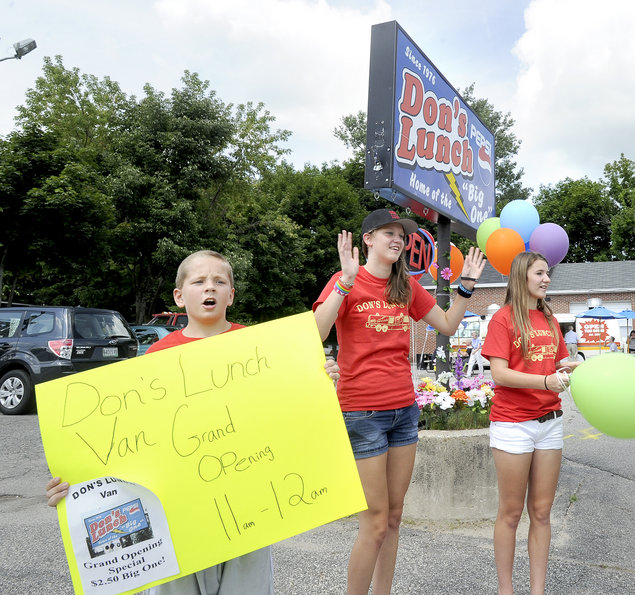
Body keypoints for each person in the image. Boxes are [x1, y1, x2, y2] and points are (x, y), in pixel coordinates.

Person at [46, 250, 341, 595]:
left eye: (219, 281)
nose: (209, 288)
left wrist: (321, 386)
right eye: (198, 281)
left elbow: (289, 413)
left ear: (231, 294)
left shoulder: (264, 349)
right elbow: (126, 443)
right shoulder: (155, 359)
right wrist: (75, 489)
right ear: (179, 295)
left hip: (251, 511)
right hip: (177, 523)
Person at [313, 208, 485, 595]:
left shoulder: (405, 287)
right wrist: (344, 282)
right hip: (362, 413)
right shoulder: (346, 281)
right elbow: (317, 332)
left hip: (404, 412)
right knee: (373, 520)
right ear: (368, 240)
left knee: (393, 516)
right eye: (388, 232)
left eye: (402, 235)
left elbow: (447, 325)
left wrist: (467, 286)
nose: (398, 240)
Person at [481, 251, 581, 595]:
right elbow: (499, 373)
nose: (547, 279)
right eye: (540, 273)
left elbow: (557, 363)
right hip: (513, 424)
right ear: (522, 276)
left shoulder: (550, 320)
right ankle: (505, 590)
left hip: (550, 423)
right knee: (510, 513)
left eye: (548, 274)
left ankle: (538, 590)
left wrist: (573, 365)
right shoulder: (503, 319)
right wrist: (543, 382)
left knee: (541, 512)